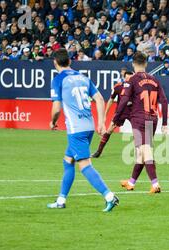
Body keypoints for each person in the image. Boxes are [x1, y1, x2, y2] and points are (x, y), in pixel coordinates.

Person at [47, 49, 119, 212]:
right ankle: (61, 200)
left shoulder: (58, 80)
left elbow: (56, 107)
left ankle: (109, 196)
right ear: (70, 62)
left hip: (76, 129)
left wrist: (52, 122)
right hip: (89, 126)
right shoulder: (83, 77)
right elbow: (100, 98)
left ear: (55, 63)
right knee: (68, 161)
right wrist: (101, 122)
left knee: (84, 165)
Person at [113, 52, 169, 193]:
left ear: (133, 64)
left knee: (145, 151)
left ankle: (155, 184)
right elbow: (164, 101)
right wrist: (165, 123)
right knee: (140, 153)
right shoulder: (154, 80)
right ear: (146, 64)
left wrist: (116, 117)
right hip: (152, 119)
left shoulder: (131, 80)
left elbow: (124, 100)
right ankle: (131, 182)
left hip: (139, 120)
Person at [92, 71, 134, 158]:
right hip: (120, 112)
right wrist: (105, 115)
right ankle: (98, 151)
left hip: (132, 112)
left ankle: (142, 154)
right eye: (127, 78)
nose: (129, 79)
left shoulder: (136, 87)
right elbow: (111, 100)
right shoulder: (118, 87)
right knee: (109, 130)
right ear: (124, 78)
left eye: (131, 78)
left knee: (137, 132)